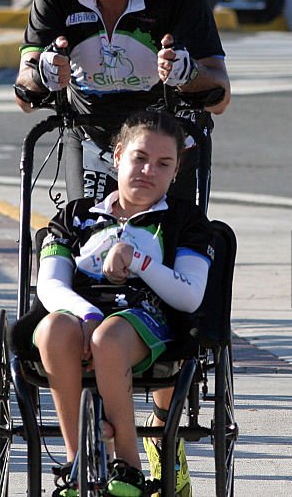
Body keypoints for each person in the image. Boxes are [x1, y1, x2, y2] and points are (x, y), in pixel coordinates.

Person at [33, 110, 213, 497]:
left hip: (147, 318)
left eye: (163, 164)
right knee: (50, 329)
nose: (149, 170)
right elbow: (49, 285)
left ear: (176, 171)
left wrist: (139, 260)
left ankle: (128, 468)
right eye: (139, 158)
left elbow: (189, 293)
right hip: (81, 311)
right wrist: (87, 314)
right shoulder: (75, 216)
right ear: (117, 157)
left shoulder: (184, 220)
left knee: (109, 339)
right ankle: (77, 461)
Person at [13, 0, 230, 202]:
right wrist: (42, 75)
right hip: (90, 137)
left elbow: (221, 98)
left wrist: (188, 74)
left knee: (170, 242)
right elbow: (23, 92)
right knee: (81, 236)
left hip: (163, 141)